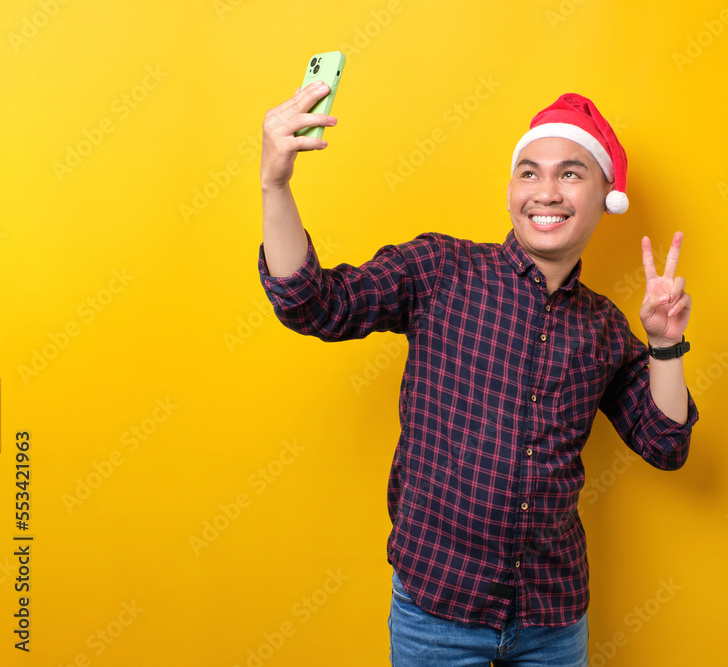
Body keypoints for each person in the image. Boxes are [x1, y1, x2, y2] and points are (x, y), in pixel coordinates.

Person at [257, 87, 699, 666]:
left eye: (570, 174)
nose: (546, 192)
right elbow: (313, 305)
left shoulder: (604, 327)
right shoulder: (441, 269)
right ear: (512, 191)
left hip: (553, 617)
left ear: (604, 197)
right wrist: (275, 185)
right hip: (436, 610)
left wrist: (665, 346)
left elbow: (666, 445)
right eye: (529, 173)